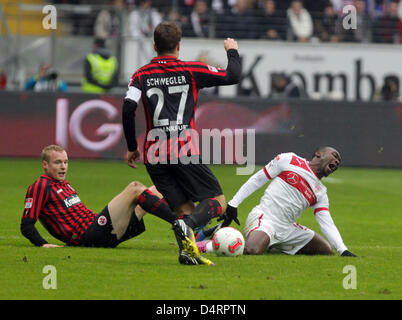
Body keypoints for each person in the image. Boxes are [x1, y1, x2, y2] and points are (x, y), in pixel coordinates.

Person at [121, 22, 241, 263]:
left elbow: (127, 109)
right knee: (216, 202)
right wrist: (232, 51)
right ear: (179, 46)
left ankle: (187, 252)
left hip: (153, 153)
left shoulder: (141, 75)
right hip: (183, 148)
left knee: (184, 207)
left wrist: (132, 146)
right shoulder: (191, 70)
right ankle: (187, 227)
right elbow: (232, 75)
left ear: (155, 46)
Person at [20, 145, 211, 265]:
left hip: (99, 229)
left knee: (161, 188)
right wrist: (43, 244)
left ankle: (196, 228)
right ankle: (181, 224)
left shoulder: (64, 184)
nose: (63, 166)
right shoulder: (41, 186)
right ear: (45, 164)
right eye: (57, 162)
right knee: (135, 188)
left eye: (66, 162)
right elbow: (26, 225)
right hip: (88, 236)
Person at [197, 147, 357, 257]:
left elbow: (326, 222)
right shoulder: (290, 160)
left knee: (325, 250)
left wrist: (343, 250)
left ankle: (271, 245)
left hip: (288, 229)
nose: (337, 161)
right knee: (252, 250)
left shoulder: (321, 192)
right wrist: (233, 203)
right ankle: (206, 244)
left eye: (339, 162)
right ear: (319, 153)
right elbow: (258, 179)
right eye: (334, 156)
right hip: (266, 219)